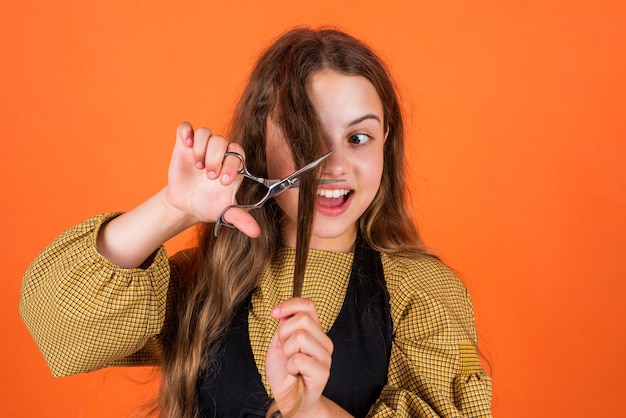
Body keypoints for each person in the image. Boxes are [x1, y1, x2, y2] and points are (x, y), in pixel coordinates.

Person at [19, 27, 492, 417]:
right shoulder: (202, 282)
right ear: (261, 140)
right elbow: (59, 328)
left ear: (385, 141)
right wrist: (174, 207)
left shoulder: (422, 293)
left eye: (358, 137)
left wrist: (313, 411)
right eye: (307, 135)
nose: (332, 166)